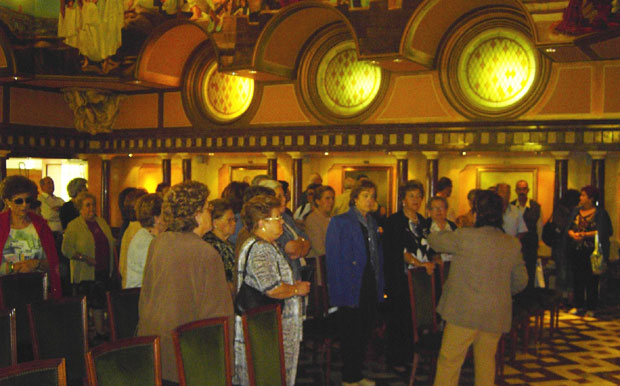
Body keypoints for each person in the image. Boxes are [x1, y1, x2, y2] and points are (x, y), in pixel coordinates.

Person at [137, 181, 233, 385]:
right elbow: (217, 316)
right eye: (209, 207)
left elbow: (146, 295)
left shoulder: (160, 242)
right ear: (196, 214)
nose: (210, 212)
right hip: (187, 353)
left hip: (155, 346)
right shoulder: (205, 253)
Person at [429, 190, 528, 386]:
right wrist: (500, 292)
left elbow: (435, 241)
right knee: (485, 363)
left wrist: (446, 222)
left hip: (463, 313)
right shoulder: (511, 243)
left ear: (476, 213)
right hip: (494, 313)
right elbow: (521, 281)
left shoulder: (465, 236)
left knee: (450, 361)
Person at [234, 195, 310, 386]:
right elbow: (271, 288)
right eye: (277, 218)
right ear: (262, 223)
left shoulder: (266, 245)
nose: (282, 221)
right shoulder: (261, 249)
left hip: (267, 327)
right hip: (265, 330)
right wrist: (295, 289)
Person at [326, 179, 384, 386]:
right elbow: (333, 260)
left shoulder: (372, 222)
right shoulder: (340, 221)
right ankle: (348, 377)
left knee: (364, 331)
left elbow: (377, 257)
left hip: (369, 281)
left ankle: (357, 374)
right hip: (349, 285)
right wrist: (336, 292)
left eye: (372, 196)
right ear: (355, 198)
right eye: (366, 196)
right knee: (351, 332)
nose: (370, 200)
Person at [382, 180, 429, 373]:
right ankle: (395, 358)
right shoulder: (394, 221)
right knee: (398, 318)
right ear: (403, 200)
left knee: (413, 318)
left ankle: (410, 354)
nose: (416, 200)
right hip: (400, 278)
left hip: (419, 279)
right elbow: (398, 251)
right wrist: (419, 264)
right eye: (412, 196)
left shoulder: (423, 222)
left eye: (418, 196)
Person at [62, 191, 116, 338]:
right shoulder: (74, 225)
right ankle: (84, 336)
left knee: (100, 302)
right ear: (80, 208)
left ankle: (100, 333)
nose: (91, 208)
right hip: (85, 273)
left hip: (103, 270)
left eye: (93, 205)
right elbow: (66, 250)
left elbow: (110, 242)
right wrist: (84, 257)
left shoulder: (101, 222)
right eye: (87, 205)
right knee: (87, 305)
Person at [0, 176, 62, 299]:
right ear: (7, 201)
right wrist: (13, 267)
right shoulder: (1, 225)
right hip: (6, 292)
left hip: (37, 291)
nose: (24, 205)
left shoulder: (41, 225)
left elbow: (53, 263)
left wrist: (36, 264)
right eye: (19, 201)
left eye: (27, 200)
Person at [566, 185, 612, 317]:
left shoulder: (600, 213)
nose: (580, 198)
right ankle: (578, 304)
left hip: (591, 251)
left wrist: (585, 235)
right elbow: (569, 227)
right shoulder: (575, 211)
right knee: (577, 278)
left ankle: (591, 306)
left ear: (591, 198)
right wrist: (572, 234)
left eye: (583, 195)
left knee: (591, 279)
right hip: (576, 250)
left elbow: (604, 231)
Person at [259, 179, 310, 281]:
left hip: (296, 273)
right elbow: (290, 248)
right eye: (279, 197)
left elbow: (307, 241)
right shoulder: (268, 222)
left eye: (284, 196)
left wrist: (301, 242)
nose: (284, 200)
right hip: (280, 277)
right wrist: (300, 243)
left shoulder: (286, 218)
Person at [125, 194, 166, 289]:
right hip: (138, 297)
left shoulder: (147, 236)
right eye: (165, 215)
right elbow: (157, 274)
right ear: (157, 219)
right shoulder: (144, 241)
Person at [550, 189, 580, 305]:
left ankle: (565, 298)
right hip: (562, 245)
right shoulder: (563, 210)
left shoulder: (565, 210)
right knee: (563, 272)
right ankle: (562, 299)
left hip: (566, 246)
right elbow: (562, 226)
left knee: (566, 272)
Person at [511, 180, 542, 288]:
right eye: (519, 189)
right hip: (514, 246)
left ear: (528, 190)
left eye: (524, 189)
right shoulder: (511, 206)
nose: (522, 191)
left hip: (530, 245)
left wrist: (538, 244)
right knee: (515, 272)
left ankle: (529, 298)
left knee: (530, 272)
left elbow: (539, 227)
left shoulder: (535, 206)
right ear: (516, 191)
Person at [203, 199, 237, 295]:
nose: (234, 223)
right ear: (215, 223)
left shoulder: (229, 244)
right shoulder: (212, 245)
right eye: (229, 220)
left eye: (234, 220)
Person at [118, 188, 147, 288]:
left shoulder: (129, 228)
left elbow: (121, 267)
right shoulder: (141, 231)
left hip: (128, 286)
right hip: (137, 288)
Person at [425, 196, 458, 265]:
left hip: (453, 264)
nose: (438, 211)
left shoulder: (453, 227)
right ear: (429, 211)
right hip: (433, 265)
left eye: (441, 207)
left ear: (446, 210)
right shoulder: (425, 226)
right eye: (435, 208)